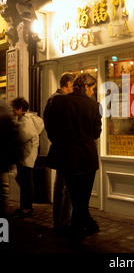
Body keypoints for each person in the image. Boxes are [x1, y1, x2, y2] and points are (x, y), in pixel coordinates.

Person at [45, 73, 102, 245]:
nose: (93, 92)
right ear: (86, 87)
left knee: (75, 195)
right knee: (81, 198)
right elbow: (96, 133)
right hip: (86, 157)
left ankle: (87, 225)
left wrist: (63, 143)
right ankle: (77, 234)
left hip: (66, 157)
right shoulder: (95, 106)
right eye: (92, 88)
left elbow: (50, 129)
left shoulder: (58, 102)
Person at [43, 72, 76, 236]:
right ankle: (62, 222)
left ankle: (60, 221)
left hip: (61, 147)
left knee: (60, 186)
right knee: (65, 187)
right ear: (69, 84)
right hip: (64, 148)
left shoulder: (55, 98)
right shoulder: (58, 99)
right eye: (73, 84)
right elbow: (49, 124)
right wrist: (61, 140)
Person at [11, 97, 44, 218]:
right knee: (24, 181)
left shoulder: (27, 120)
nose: (12, 110)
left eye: (13, 108)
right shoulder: (24, 119)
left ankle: (27, 208)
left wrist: (14, 129)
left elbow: (22, 136)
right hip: (24, 155)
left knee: (26, 182)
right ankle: (23, 206)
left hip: (26, 155)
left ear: (20, 109)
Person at [0, 104, 23, 217]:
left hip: (4, 162)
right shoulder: (6, 116)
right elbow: (13, 141)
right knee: (4, 192)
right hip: (3, 164)